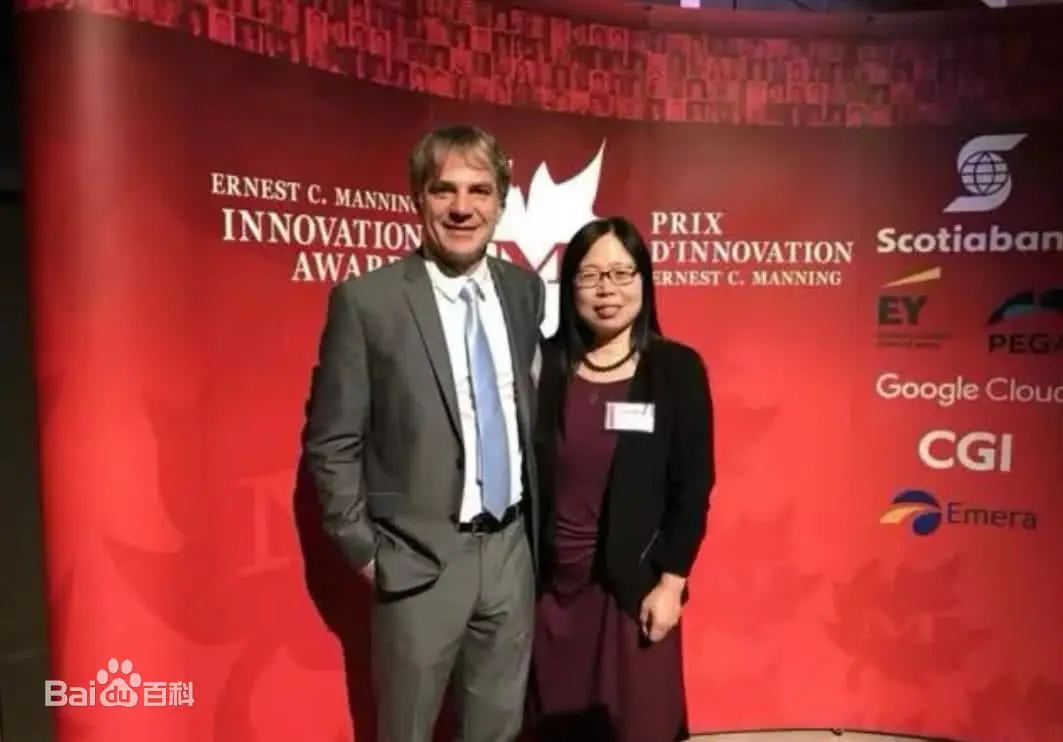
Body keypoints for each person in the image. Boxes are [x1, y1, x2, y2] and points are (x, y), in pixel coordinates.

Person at [301, 124, 545, 742]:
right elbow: (332, 441)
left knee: (498, 731)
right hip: (419, 564)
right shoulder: (368, 302)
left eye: (479, 190)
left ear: (501, 201)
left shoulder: (524, 291)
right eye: (444, 190)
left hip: (510, 555)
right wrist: (365, 552)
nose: (462, 208)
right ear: (418, 197)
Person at [529, 217, 715, 742]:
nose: (606, 289)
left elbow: (692, 488)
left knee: (640, 724)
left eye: (620, 273)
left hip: (634, 589)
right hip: (549, 594)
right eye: (590, 276)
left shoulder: (676, 368)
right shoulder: (543, 366)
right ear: (570, 287)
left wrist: (671, 585)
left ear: (643, 281)